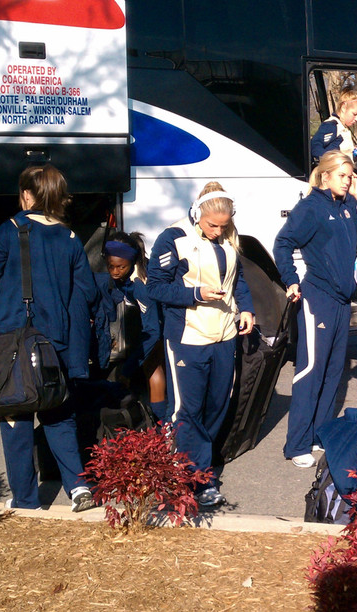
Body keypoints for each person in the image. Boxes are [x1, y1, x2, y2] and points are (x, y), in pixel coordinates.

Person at [0, 164, 97, 512]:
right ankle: (78, 487)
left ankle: (26, 498)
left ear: (27, 195)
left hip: (14, 339)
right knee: (58, 411)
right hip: (54, 342)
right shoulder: (71, 238)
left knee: (16, 415)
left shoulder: (11, 229)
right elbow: (86, 291)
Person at [146, 182, 255, 508]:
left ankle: (195, 465)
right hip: (188, 338)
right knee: (187, 411)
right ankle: (193, 478)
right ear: (197, 214)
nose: (217, 231)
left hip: (224, 334)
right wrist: (195, 295)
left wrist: (246, 308)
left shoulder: (229, 237)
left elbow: (239, 280)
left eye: (223, 226)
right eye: (211, 225)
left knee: (216, 406)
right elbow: (156, 288)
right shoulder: (173, 238)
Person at [274, 151, 357, 468]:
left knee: (333, 371)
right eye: (343, 175)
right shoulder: (311, 208)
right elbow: (282, 244)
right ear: (325, 175)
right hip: (317, 299)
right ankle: (297, 444)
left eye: (350, 176)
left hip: (342, 301)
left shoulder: (347, 205)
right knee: (311, 371)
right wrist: (291, 280)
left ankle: (318, 435)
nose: (348, 181)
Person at [94, 232, 167, 421]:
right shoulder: (125, 276)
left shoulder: (140, 285)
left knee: (153, 366)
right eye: (110, 266)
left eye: (120, 267)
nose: (114, 272)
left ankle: (163, 424)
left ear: (131, 262)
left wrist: (128, 368)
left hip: (168, 324)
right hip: (156, 322)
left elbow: (153, 330)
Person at [310, 89, 357, 162]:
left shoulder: (342, 128)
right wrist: (332, 163)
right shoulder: (331, 126)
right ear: (343, 107)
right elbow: (314, 147)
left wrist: (353, 153)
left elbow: (339, 153)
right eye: (355, 114)